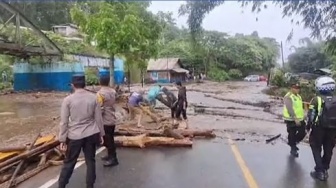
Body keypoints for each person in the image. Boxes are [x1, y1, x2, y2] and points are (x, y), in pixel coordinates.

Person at [58, 74, 105, 188]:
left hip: (75, 136)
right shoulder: (94, 97)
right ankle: (90, 186)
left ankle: (62, 185)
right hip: (91, 133)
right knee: (90, 161)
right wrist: (101, 134)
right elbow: (98, 118)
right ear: (85, 84)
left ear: (73, 85)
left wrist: (62, 139)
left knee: (69, 162)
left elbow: (64, 122)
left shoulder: (68, 100)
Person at [307, 76, 336, 181]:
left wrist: (308, 127)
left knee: (315, 147)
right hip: (333, 129)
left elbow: (311, 115)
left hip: (319, 128)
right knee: (329, 149)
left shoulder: (316, 100)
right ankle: (325, 169)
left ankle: (319, 171)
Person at [97, 76, 118, 167]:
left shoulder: (100, 94)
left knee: (107, 140)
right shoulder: (113, 91)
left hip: (105, 120)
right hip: (112, 117)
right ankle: (110, 155)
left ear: (99, 82)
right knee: (110, 139)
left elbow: (100, 108)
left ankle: (113, 159)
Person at [282, 83, 306, 157]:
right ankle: (293, 149)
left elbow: (300, 107)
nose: (297, 89)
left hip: (300, 118)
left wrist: (304, 114)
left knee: (302, 133)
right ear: (291, 88)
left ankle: (293, 143)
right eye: (295, 88)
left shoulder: (298, 96)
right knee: (292, 133)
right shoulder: (288, 96)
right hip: (291, 119)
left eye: (298, 88)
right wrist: (295, 118)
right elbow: (290, 109)